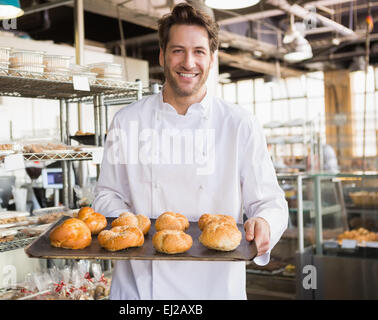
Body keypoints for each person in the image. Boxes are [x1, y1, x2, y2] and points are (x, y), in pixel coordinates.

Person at [92, 3, 288, 300]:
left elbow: (269, 201)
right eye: (177, 50)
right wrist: (131, 228)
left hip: (216, 289)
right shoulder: (127, 121)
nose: (188, 62)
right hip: (141, 289)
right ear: (162, 55)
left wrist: (265, 223)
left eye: (199, 51)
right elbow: (106, 194)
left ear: (212, 59)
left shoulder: (238, 124)